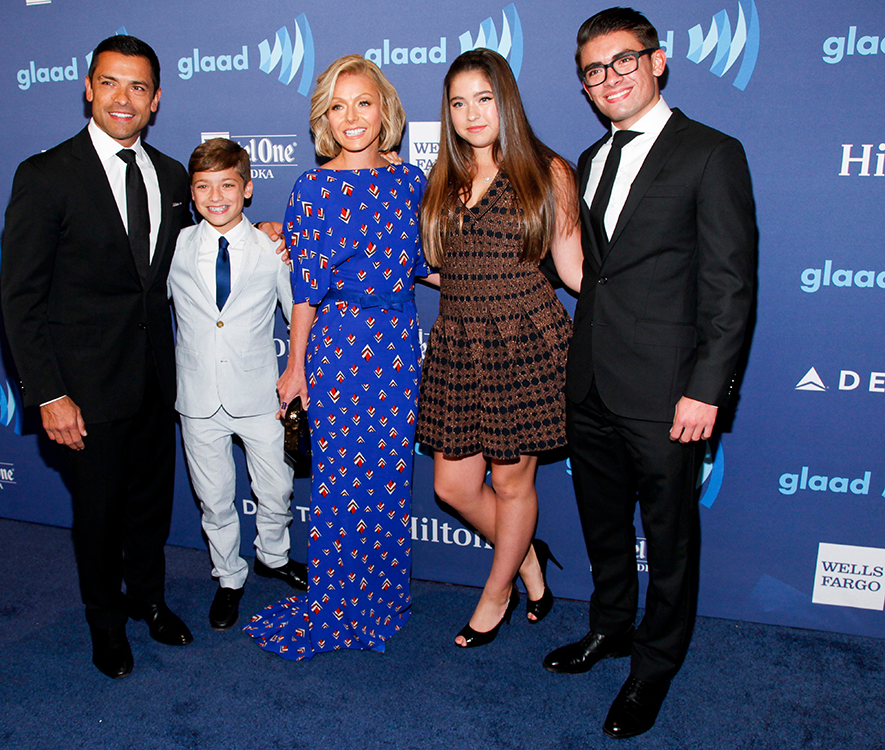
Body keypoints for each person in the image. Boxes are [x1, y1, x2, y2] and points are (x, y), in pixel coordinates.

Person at [541, 7, 757, 739]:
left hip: (670, 393)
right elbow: (591, 275)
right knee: (604, 527)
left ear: (657, 61)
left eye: (623, 61)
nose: (609, 78)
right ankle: (610, 629)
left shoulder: (709, 152)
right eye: (594, 70)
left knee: (668, 539)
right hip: (592, 383)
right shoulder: (591, 159)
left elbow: (730, 288)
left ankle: (654, 667)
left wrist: (707, 391)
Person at [0, 35, 196, 679]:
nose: (123, 98)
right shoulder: (47, 174)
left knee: (148, 506)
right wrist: (49, 393)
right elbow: (20, 298)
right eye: (110, 83)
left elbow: (194, 253)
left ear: (156, 100)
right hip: (82, 390)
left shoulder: (171, 176)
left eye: (138, 87)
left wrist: (266, 236)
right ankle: (105, 623)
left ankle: (149, 600)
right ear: (88, 87)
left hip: (153, 380)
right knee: (99, 515)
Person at [243, 55, 435, 660]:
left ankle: (379, 597)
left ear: (386, 109)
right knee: (339, 483)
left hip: (398, 346)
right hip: (342, 349)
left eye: (363, 102)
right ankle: (338, 599)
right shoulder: (312, 187)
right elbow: (306, 291)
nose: (352, 117)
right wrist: (296, 366)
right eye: (338, 106)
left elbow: (425, 266)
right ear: (324, 117)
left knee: (389, 480)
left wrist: (495, 278)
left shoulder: (411, 181)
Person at [415, 48, 583, 649]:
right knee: (452, 486)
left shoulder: (549, 172)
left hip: (524, 343)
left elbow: (574, 273)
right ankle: (526, 559)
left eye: (483, 99)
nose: (470, 113)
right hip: (458, 344)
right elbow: (445, 268)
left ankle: (496, 592)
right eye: (458, 103)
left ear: (505, 99)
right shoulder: (443, 179)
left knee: (513, 485)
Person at [167, 138, 305, 633]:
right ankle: (228, 578)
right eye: (203, 187)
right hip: (197, 397)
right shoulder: (174, 245)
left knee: (276, 489)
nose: (216, 196)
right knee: (215, 499)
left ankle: (273, 554)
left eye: (227, 185)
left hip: (261, 395)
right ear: (192, 193)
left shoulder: (273, 246)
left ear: (247, 189)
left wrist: (300, 373)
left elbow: (296, 315)